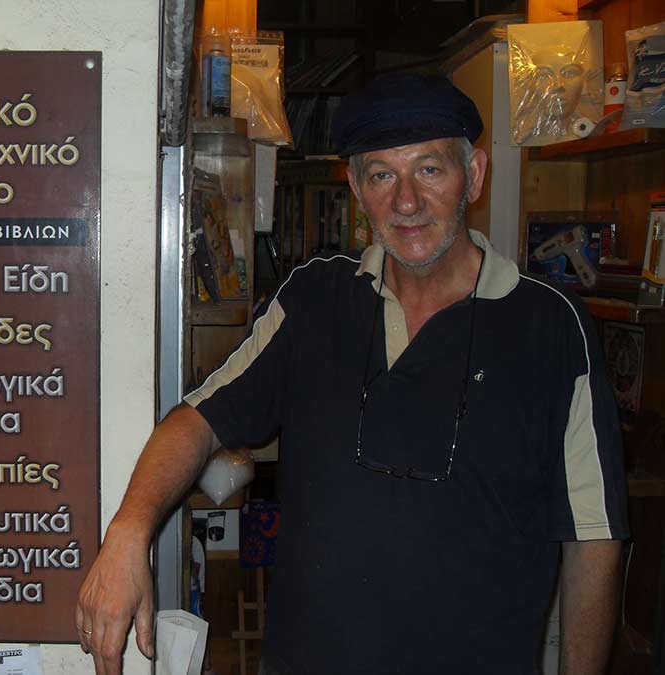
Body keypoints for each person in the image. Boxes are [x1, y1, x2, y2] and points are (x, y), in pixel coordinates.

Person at [76, 74, 628, 674]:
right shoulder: (313, 301)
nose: (407, 202)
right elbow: (198, 420)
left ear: (473, 174)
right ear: (357, 190)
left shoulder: (552, 328)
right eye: (382, 175)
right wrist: (127, 533)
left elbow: (594, 533)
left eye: (430, 169)